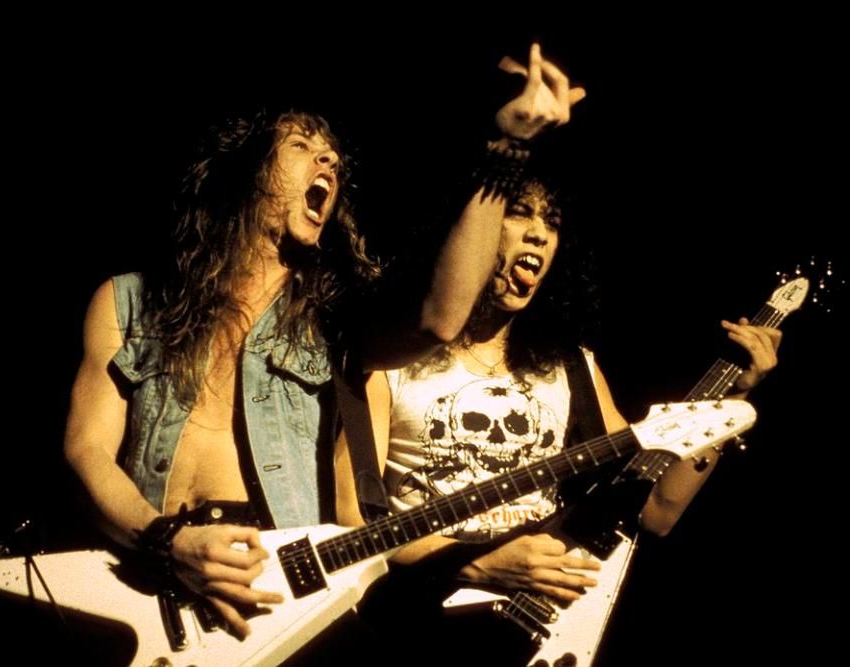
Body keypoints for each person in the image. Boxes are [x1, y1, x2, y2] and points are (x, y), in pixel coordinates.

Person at [62, 42, 586, 646]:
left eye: (334, 157)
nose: (329, 161)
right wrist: (168, 541)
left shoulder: (334, 321)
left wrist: (507, 153)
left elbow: (440, 319)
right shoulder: (128, 300)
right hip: (147, 582)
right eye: (302, 146)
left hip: (278, 603)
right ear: (245, 169)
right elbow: (86, 450)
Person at [336, 160, 781, 660]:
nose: (539, 235)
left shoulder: (571, 366)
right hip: (419, 623)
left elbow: (658, 510)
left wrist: (732, 400)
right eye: (519, 213)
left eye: (551, 222)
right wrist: (476, 562)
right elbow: (352, 525)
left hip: (530, 629)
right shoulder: (390, 360)